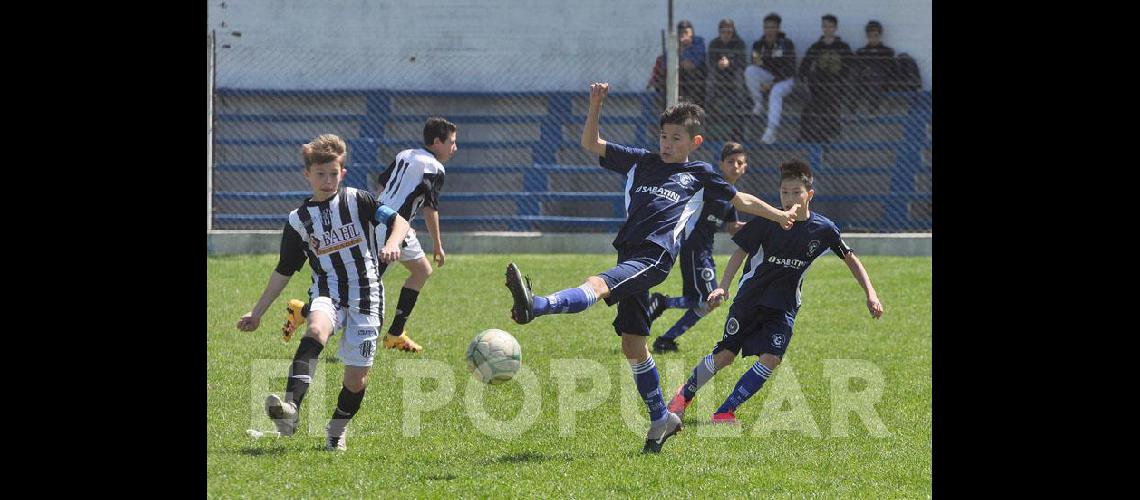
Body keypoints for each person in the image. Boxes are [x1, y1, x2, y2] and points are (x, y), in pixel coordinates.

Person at [504, 83, 800, 454]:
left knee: (596, 285)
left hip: (655, 257)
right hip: (628, 254)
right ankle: (662, 417)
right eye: (663, 136)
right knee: (633, 346)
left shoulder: (700, 174)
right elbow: (592, 143)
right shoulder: (641, 160)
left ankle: (538, 305)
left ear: (694, 141)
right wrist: (595, 105)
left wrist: (778, 214)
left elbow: (742, 199)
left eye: (676, 138)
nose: (666, 143)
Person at [665, 159, 884, 424]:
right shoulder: (767, 220)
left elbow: (850, 258)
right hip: (750, 300)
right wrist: (723, 285)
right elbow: (740, 253)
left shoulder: (823, 229)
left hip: (783, 305)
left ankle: (725, 411)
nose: (789, 198)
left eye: (796, 193)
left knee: (772, 357)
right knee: (725, 355)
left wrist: (870, 293)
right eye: (784, 192)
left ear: (809, 195)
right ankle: (683, 397)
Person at [237, 134, 412, 451]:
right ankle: (290, 409)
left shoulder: (359, 200)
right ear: (307, 175)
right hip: (327, 292)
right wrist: (257, 312)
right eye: (321, 174)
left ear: (342, 173)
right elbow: (284, 271)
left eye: (334, 173)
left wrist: (391, 243)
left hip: (367, 295)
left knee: (356, 380)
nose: (328, 180)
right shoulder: (299, 221)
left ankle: (337, 428)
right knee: (316, 328)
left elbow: (398, 221)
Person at [282, 118, 458, 353]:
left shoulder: (406, 154)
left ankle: (395, 334)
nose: (454, 148)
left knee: (421, 271)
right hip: (389, 227)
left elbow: (382, 186)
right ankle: (304, 311)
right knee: (362, 284)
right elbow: (430, 207)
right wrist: (437, 244)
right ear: (437, 142)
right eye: (452, 143)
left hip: (394, 223)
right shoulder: (435, 169)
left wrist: (381, 213)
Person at [647, 142, 749, 353]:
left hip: (704, 251)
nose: (735, 166)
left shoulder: (732, 196)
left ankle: (666, 335)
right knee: (709, 299)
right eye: (730, 162)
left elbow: (733, 228)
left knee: (705, 301)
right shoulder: (712, 185)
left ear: (745, 167)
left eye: (740, 163)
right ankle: (663, 305)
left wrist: (764, 225)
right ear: (721, 164)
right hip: (693, 246)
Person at [798, 14, 855, 143]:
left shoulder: (843, 47)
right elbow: (804, 65)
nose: (827, 29)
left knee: (829, 107)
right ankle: (808, 135)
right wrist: (804, 78)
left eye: (830, 26)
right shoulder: (816, 47)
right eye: (825, 26)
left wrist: (843, 80)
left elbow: (850, 66)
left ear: (835, 28)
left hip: (836, 86)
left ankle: (831, 133)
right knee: (811, 109)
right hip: (818, 85)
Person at [744, 13, 797, 144]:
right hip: (769, 77)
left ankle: (771, 130)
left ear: (778, 29)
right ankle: (759, 103)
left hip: (786, 80)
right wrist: (769, 68)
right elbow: (755, 63)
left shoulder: (786, 44)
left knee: (776, 92)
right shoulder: (758, 44)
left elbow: (789, 68)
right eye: (766, 27)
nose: (769, 30)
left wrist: (772, 82)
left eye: (773, 27)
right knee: (750, 71)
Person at [705, 18, 751, 138]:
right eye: (723, 31)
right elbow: (710, 62)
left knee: (739, 75)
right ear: (719, 32)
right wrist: (719, 64)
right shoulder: (714, 43)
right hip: (718, 75)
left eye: (729, 32)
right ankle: (709, 104)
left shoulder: (739, 43)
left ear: (733, 32)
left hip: (734, 75)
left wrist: (729, 63)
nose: (726, 35)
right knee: (711, 76)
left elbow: (742, 63)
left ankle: (739, 104)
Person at [647, 20, 708, 110]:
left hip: (694, 79)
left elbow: (692, 65)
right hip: (676, 76)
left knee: (689, 72)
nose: (684, 35)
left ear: (692, 33)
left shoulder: (698, 43)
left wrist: (679, 56)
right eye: (681, 33)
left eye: (686, 32)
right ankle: (670, 105)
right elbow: (666, 63)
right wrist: (681, 49)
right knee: (665, 76)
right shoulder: (674, 43)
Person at [853, 20, 896, 114]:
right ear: (867, 36)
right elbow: (857, 68)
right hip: (863, 80)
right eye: (870, 36)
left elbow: (890, 69)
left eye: (875, 36)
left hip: (881, 81)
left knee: (875, 73)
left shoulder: (887, 51)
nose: (873, 39)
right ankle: (853, 107)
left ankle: (873, 108)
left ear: (880, 35)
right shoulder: (861, 52)